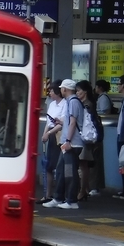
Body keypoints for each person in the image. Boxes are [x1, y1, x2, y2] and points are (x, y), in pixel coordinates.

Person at [43, 79, 84, 210]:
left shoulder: (72, 102)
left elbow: (72, 123)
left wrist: (68, 141)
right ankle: (58, 198)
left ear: (65, 89)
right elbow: (69, 121)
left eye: (61, 88)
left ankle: (71, 200)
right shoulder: (72, 102)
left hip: (72, 144)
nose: (61, 90)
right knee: (61, 170)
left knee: (69, 172)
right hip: (68, 143)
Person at [40, 81, 66, 203]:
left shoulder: (65, 104)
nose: (49, 93)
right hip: (50, 135)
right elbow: (48, 121)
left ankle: (61, 194)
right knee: (48, 166)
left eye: (51, 91)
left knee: (60, 166)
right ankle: (48, 194)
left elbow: (61, 124)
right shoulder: (51, 104)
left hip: (58, 136)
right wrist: (45, 133)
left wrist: (49, 133)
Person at [75, 80, 98, 200]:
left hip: (85, 137)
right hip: (83, 137)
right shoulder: (86, 103)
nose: (77, 93)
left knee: (83, 165)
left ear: (85, 91)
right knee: (82, 165)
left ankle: (83, 190)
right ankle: (84, 189)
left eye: (78, 90)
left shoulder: (87, 105)